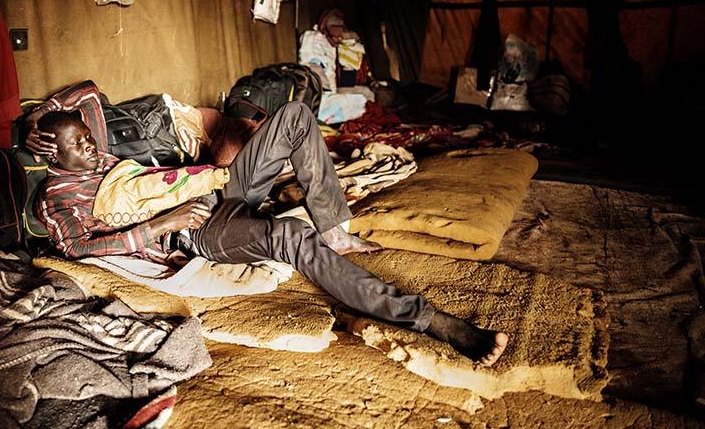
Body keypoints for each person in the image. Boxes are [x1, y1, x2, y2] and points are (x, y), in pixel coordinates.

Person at [26, 81, 508, 366]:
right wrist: (159, 225)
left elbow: (87, 92)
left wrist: (44, 117)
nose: (92, 146)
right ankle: (433, 322)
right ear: (53, 155)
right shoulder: (61, 198)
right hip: (197, 231)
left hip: (212, 187)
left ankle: (335, 229)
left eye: (89, 137)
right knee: (290, 235)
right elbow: (79, 250)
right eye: (79, 144)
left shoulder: (92, 152)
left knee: (296, 116)